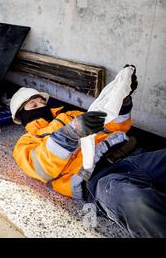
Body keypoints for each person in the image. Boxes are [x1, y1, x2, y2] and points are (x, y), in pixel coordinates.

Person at [9, 71, 166, 237]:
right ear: (22, 116)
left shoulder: (72, 116)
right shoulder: (25, 143)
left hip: (134, 157)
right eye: (34, 105)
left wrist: (122, 101)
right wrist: (70, 133)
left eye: (42, 102)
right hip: (101, 181)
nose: (41, 106)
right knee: (136, 202)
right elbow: (42, 167)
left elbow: (114, 126)